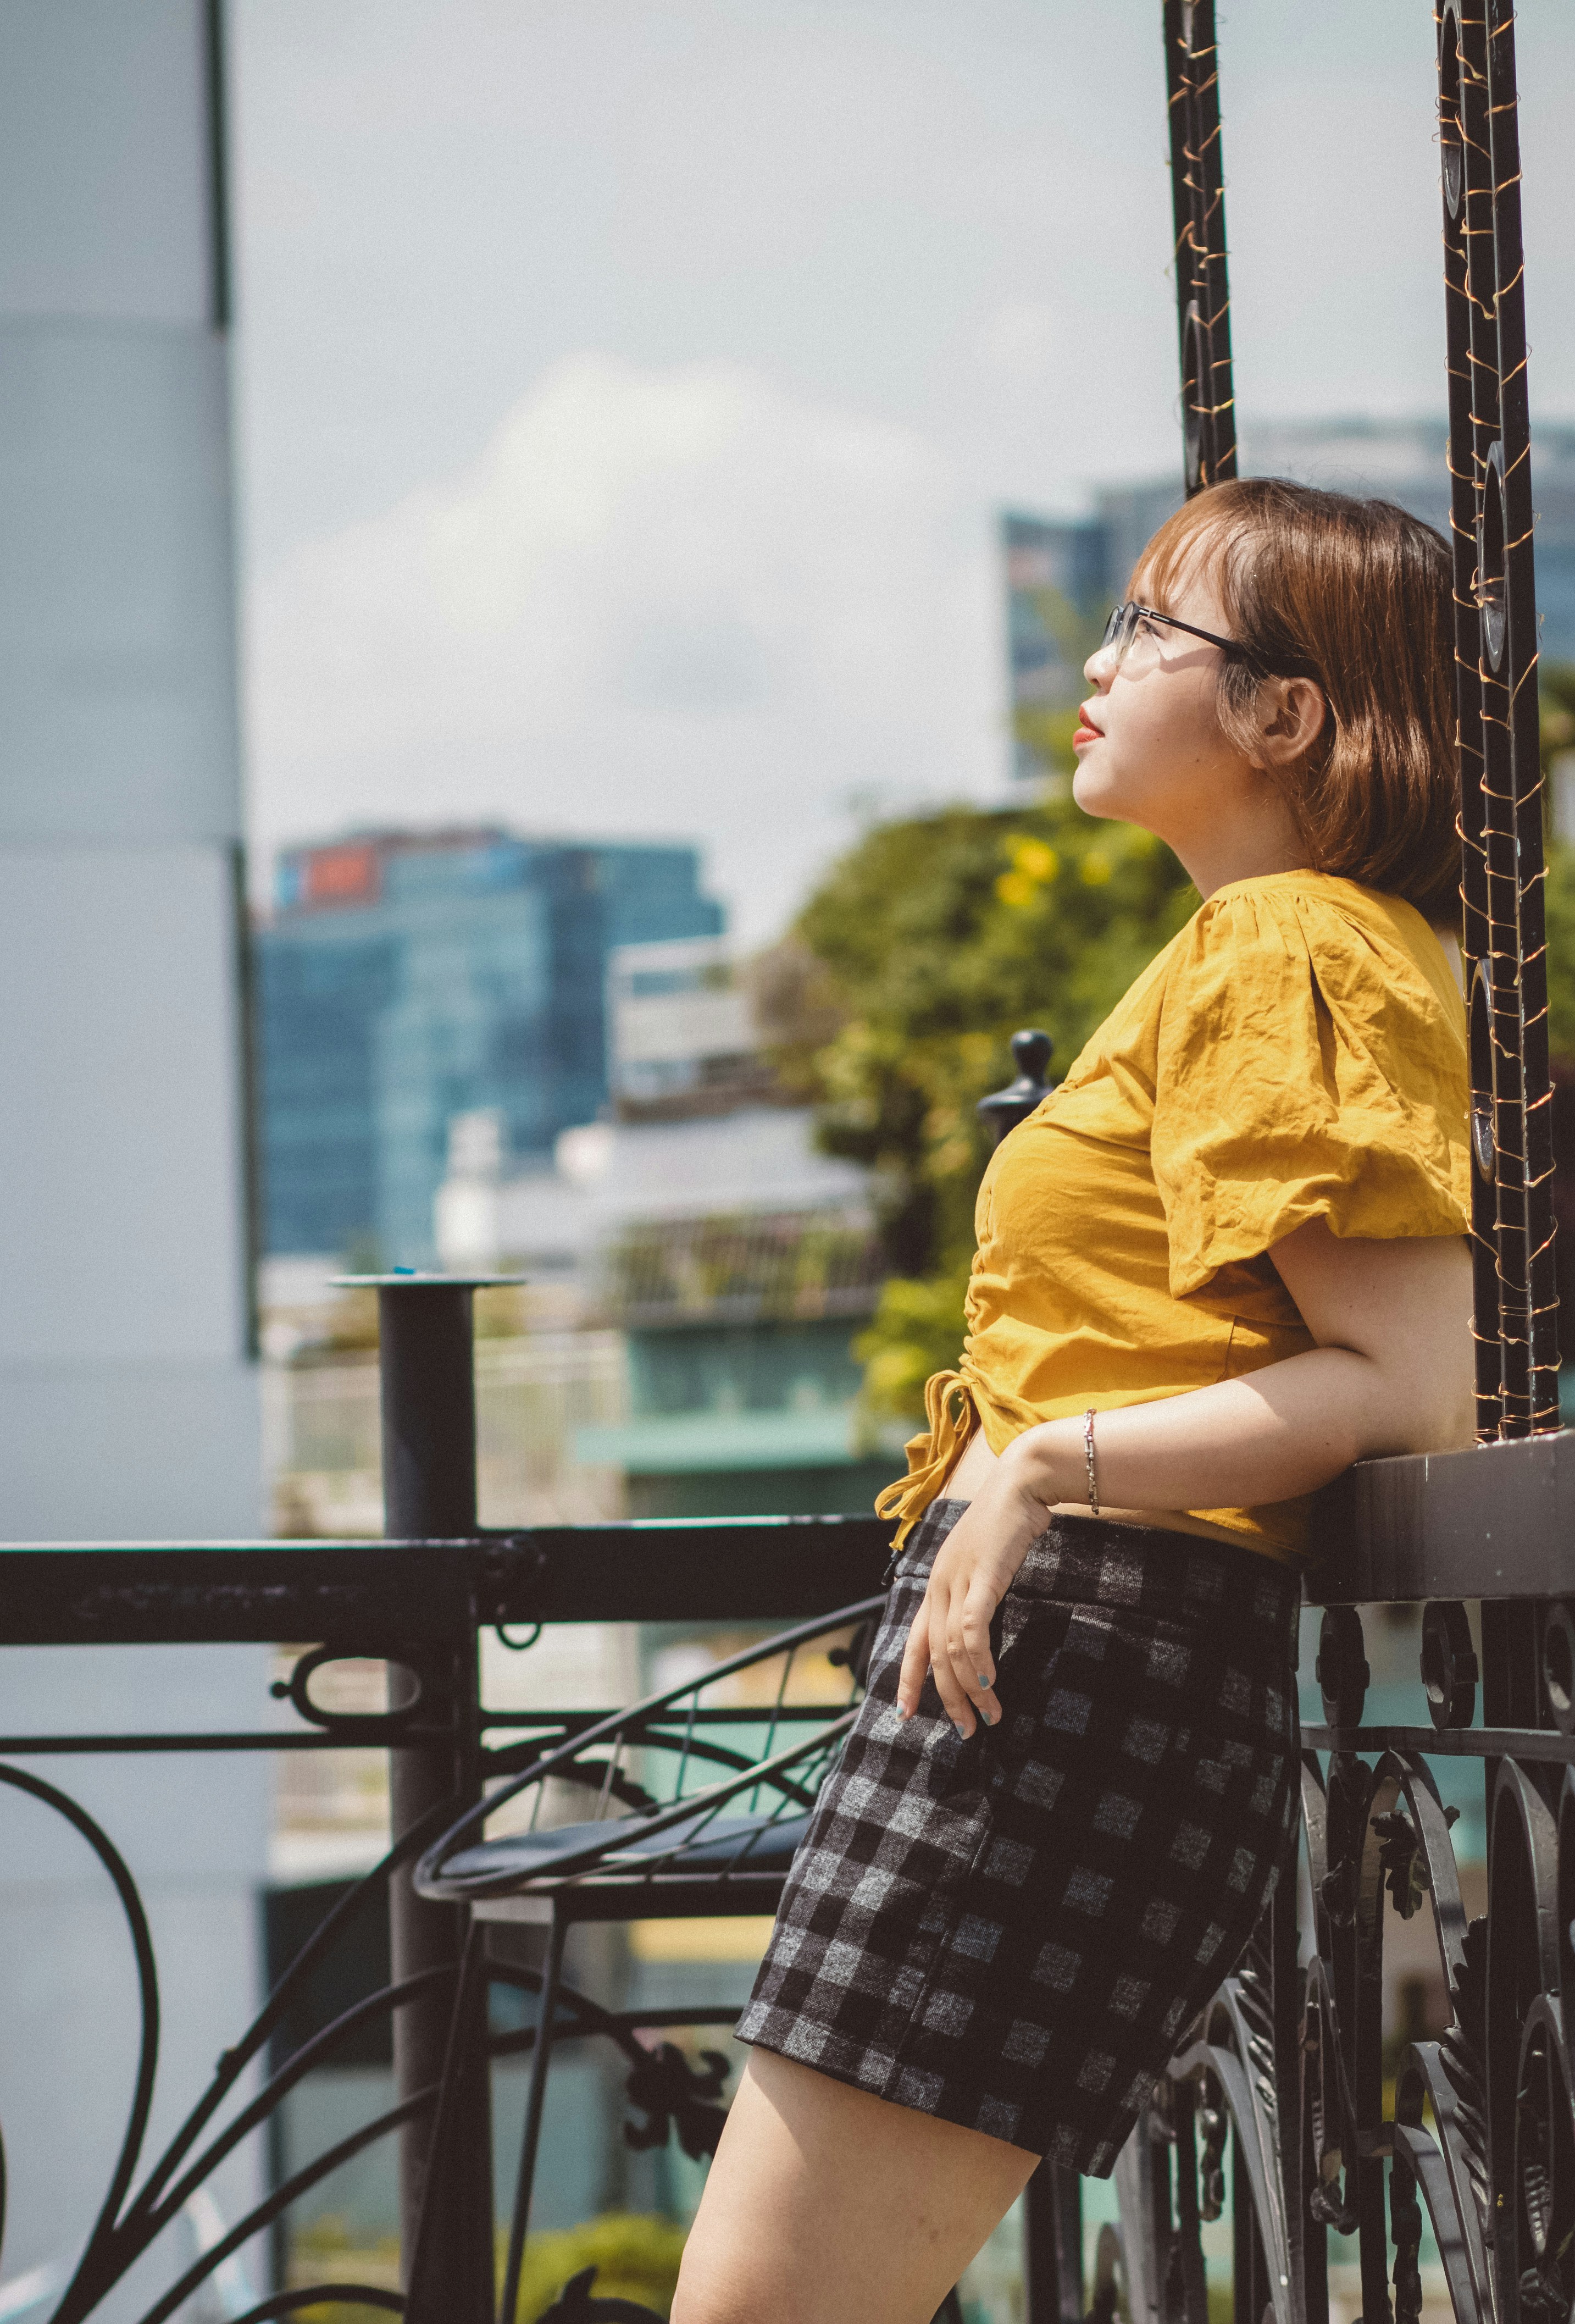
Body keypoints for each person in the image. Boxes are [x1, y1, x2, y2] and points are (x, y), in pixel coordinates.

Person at [672, 479, 1472, 2324]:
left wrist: (1040, 1465)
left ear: (1285, 712)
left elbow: (1402, 1379)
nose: (1092, 667)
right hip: (1055, 1669)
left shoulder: (1293, 944)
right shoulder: (1241, 949)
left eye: (1144, 630)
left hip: (1082, 1671)